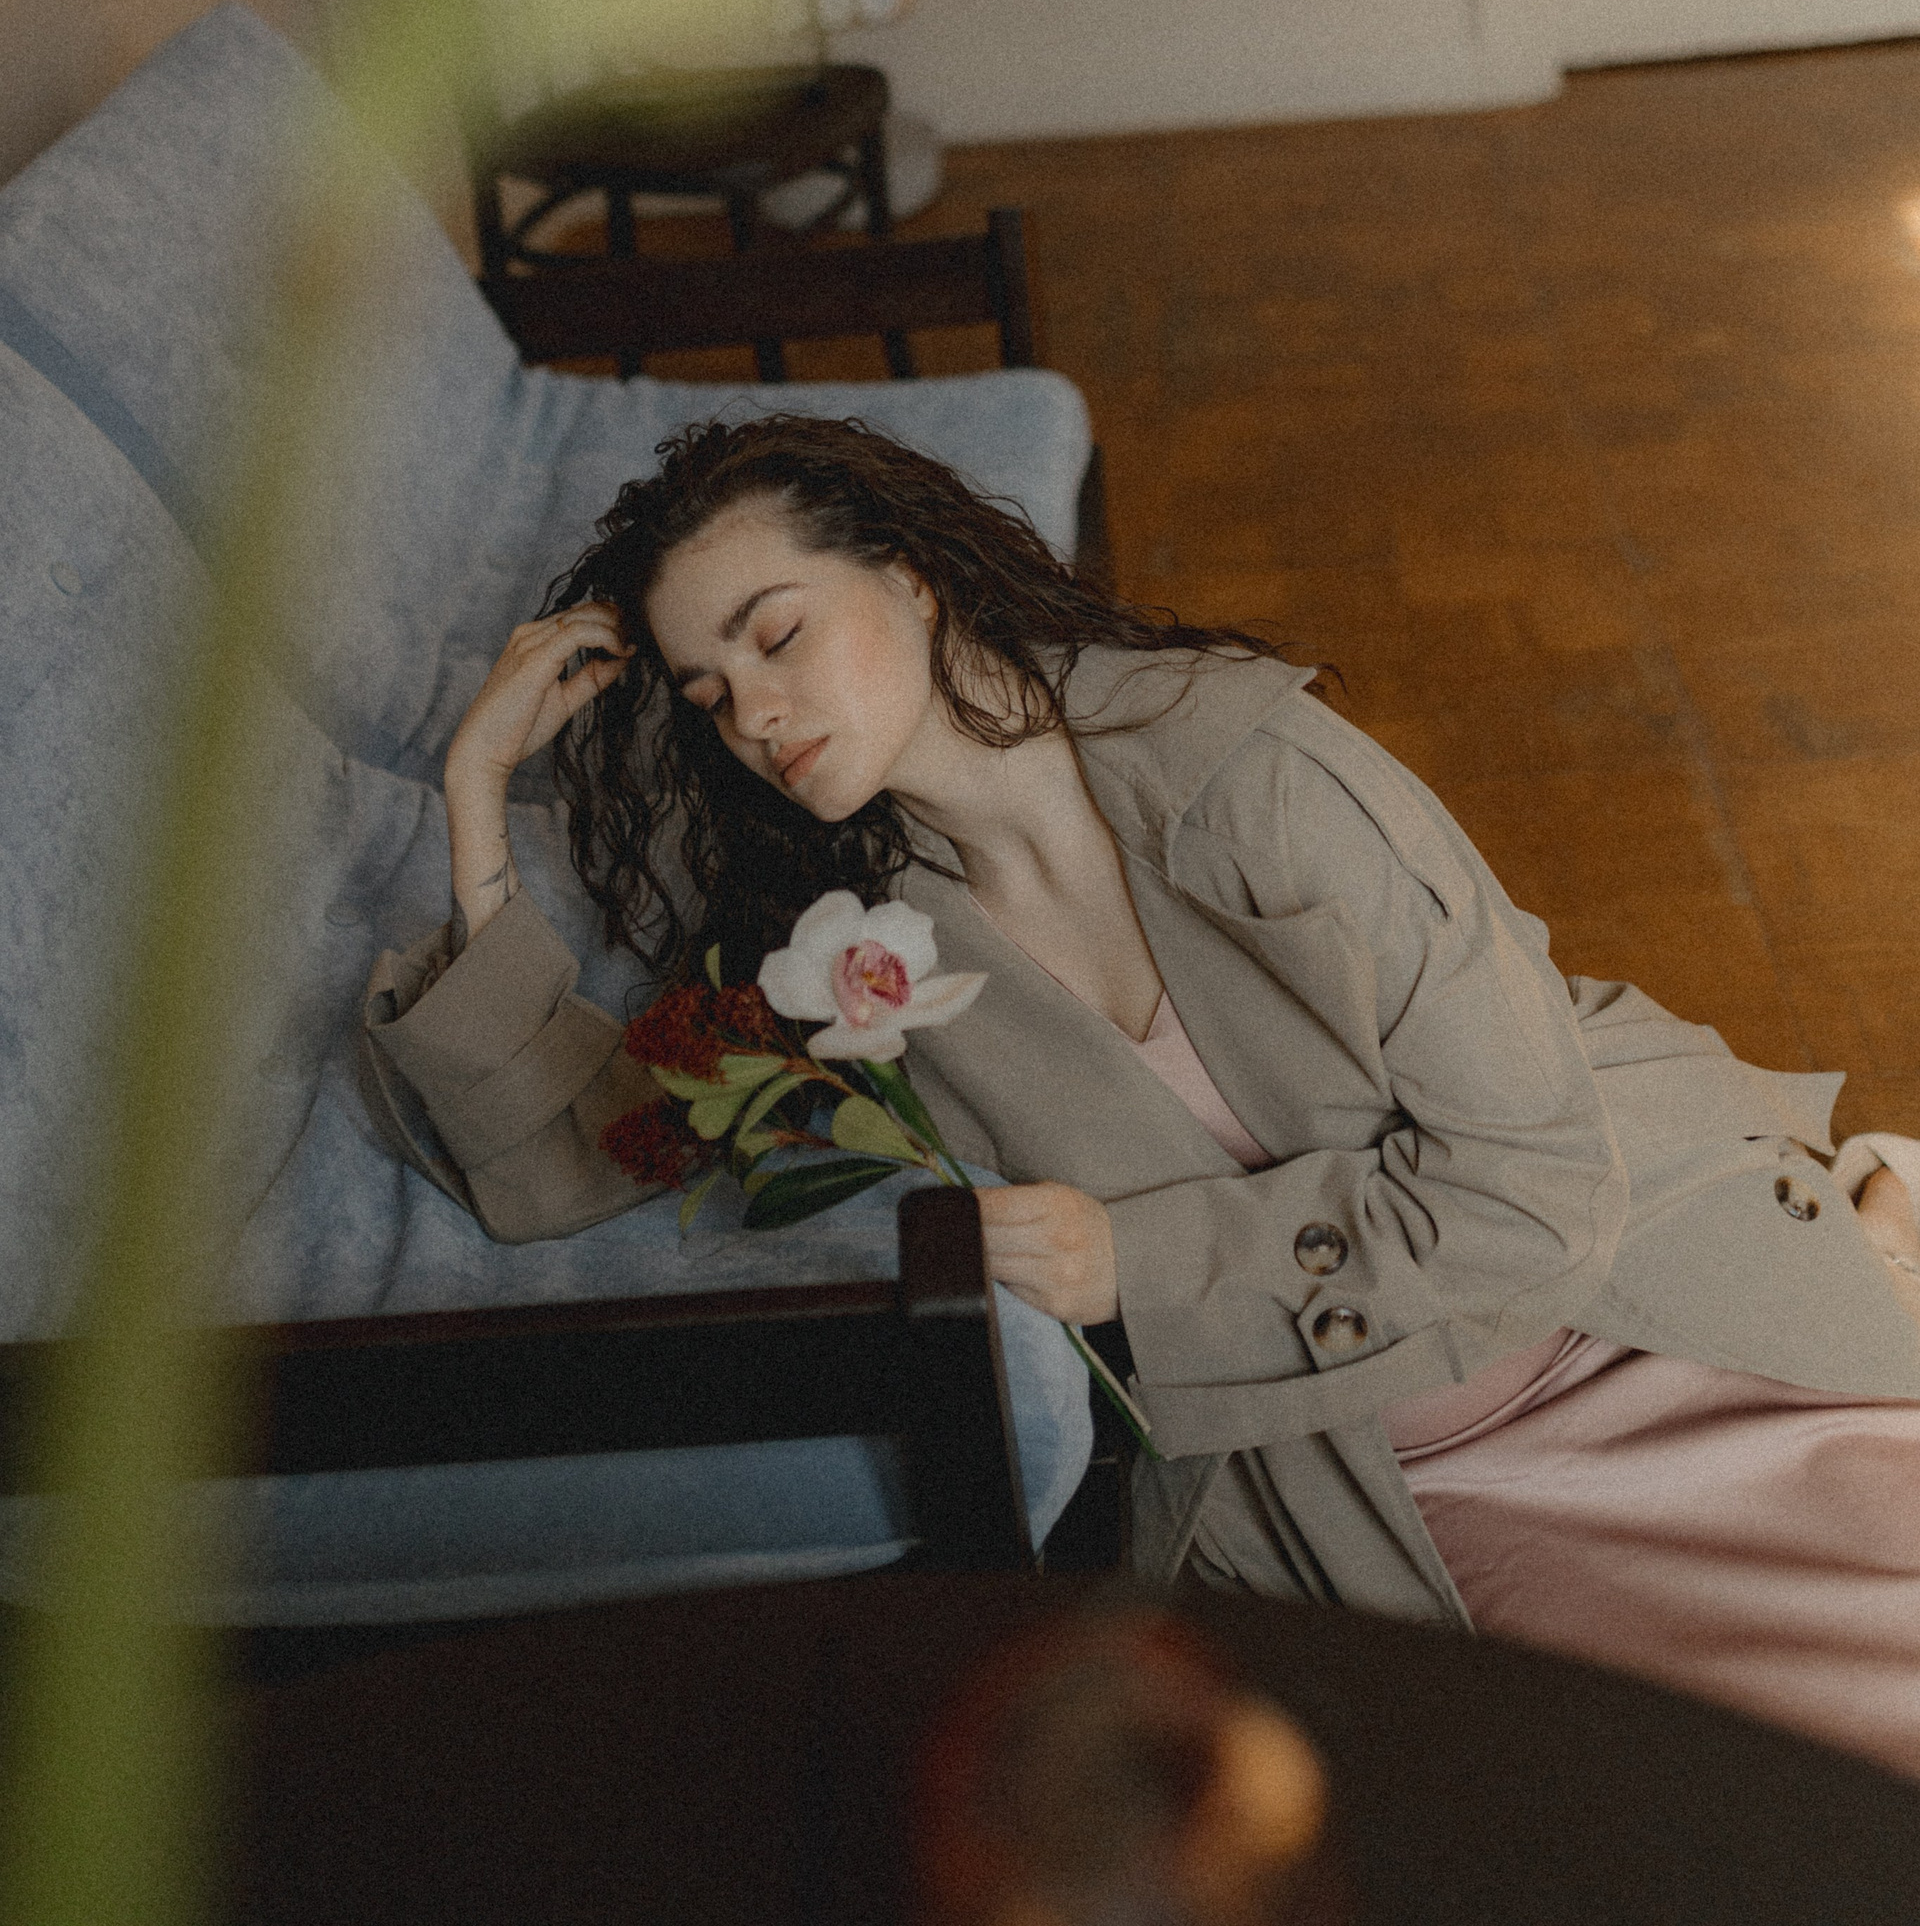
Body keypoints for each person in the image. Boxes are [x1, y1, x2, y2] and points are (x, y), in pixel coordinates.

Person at [362, 415, 1920, 1774]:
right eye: (709, 691)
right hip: (1375, 1475)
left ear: (914, 576)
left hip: (1631, 1310)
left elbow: (1538, 1186)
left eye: (778, 636)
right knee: (1724, 1800)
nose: (754, 714)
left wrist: (1133, 1262)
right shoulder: (862, 954)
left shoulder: (1254, 772)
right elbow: (580, 1154)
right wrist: (477, 802)